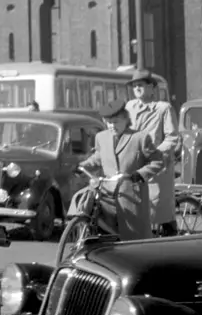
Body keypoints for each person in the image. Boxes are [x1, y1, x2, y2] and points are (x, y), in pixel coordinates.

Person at [73, 97, 164, 239]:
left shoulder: (140, 138)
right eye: (108, 122)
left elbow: (158, 161)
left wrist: (140, 174)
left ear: (126, 120)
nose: (111, 126)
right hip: (107, 192)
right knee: (85, 202)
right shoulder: (101, 137)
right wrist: (83, 166)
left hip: (131, 195)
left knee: (133, 236)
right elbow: (99, 157)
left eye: (115, 122)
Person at [125, 70, 179, 236]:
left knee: (160, 209)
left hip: (157, 166)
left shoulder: (163, 108)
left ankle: (172, 236)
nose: (137, 88)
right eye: (134, 86)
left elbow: (172, 137)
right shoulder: (129, 107)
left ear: (152, 87)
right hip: (134, 164)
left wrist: (156, 153)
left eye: (141, 85)